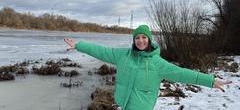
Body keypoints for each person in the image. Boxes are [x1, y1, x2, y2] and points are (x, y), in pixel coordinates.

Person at [64, 25, 232, 110]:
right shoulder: (124, 55)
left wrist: (211, 81)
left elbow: (182, 74)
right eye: (137, 37)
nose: (141, 40)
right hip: (124, 104)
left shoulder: (157, 63)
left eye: (144, 37)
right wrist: (78, 45)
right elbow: (101, 51)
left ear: (149, 40)